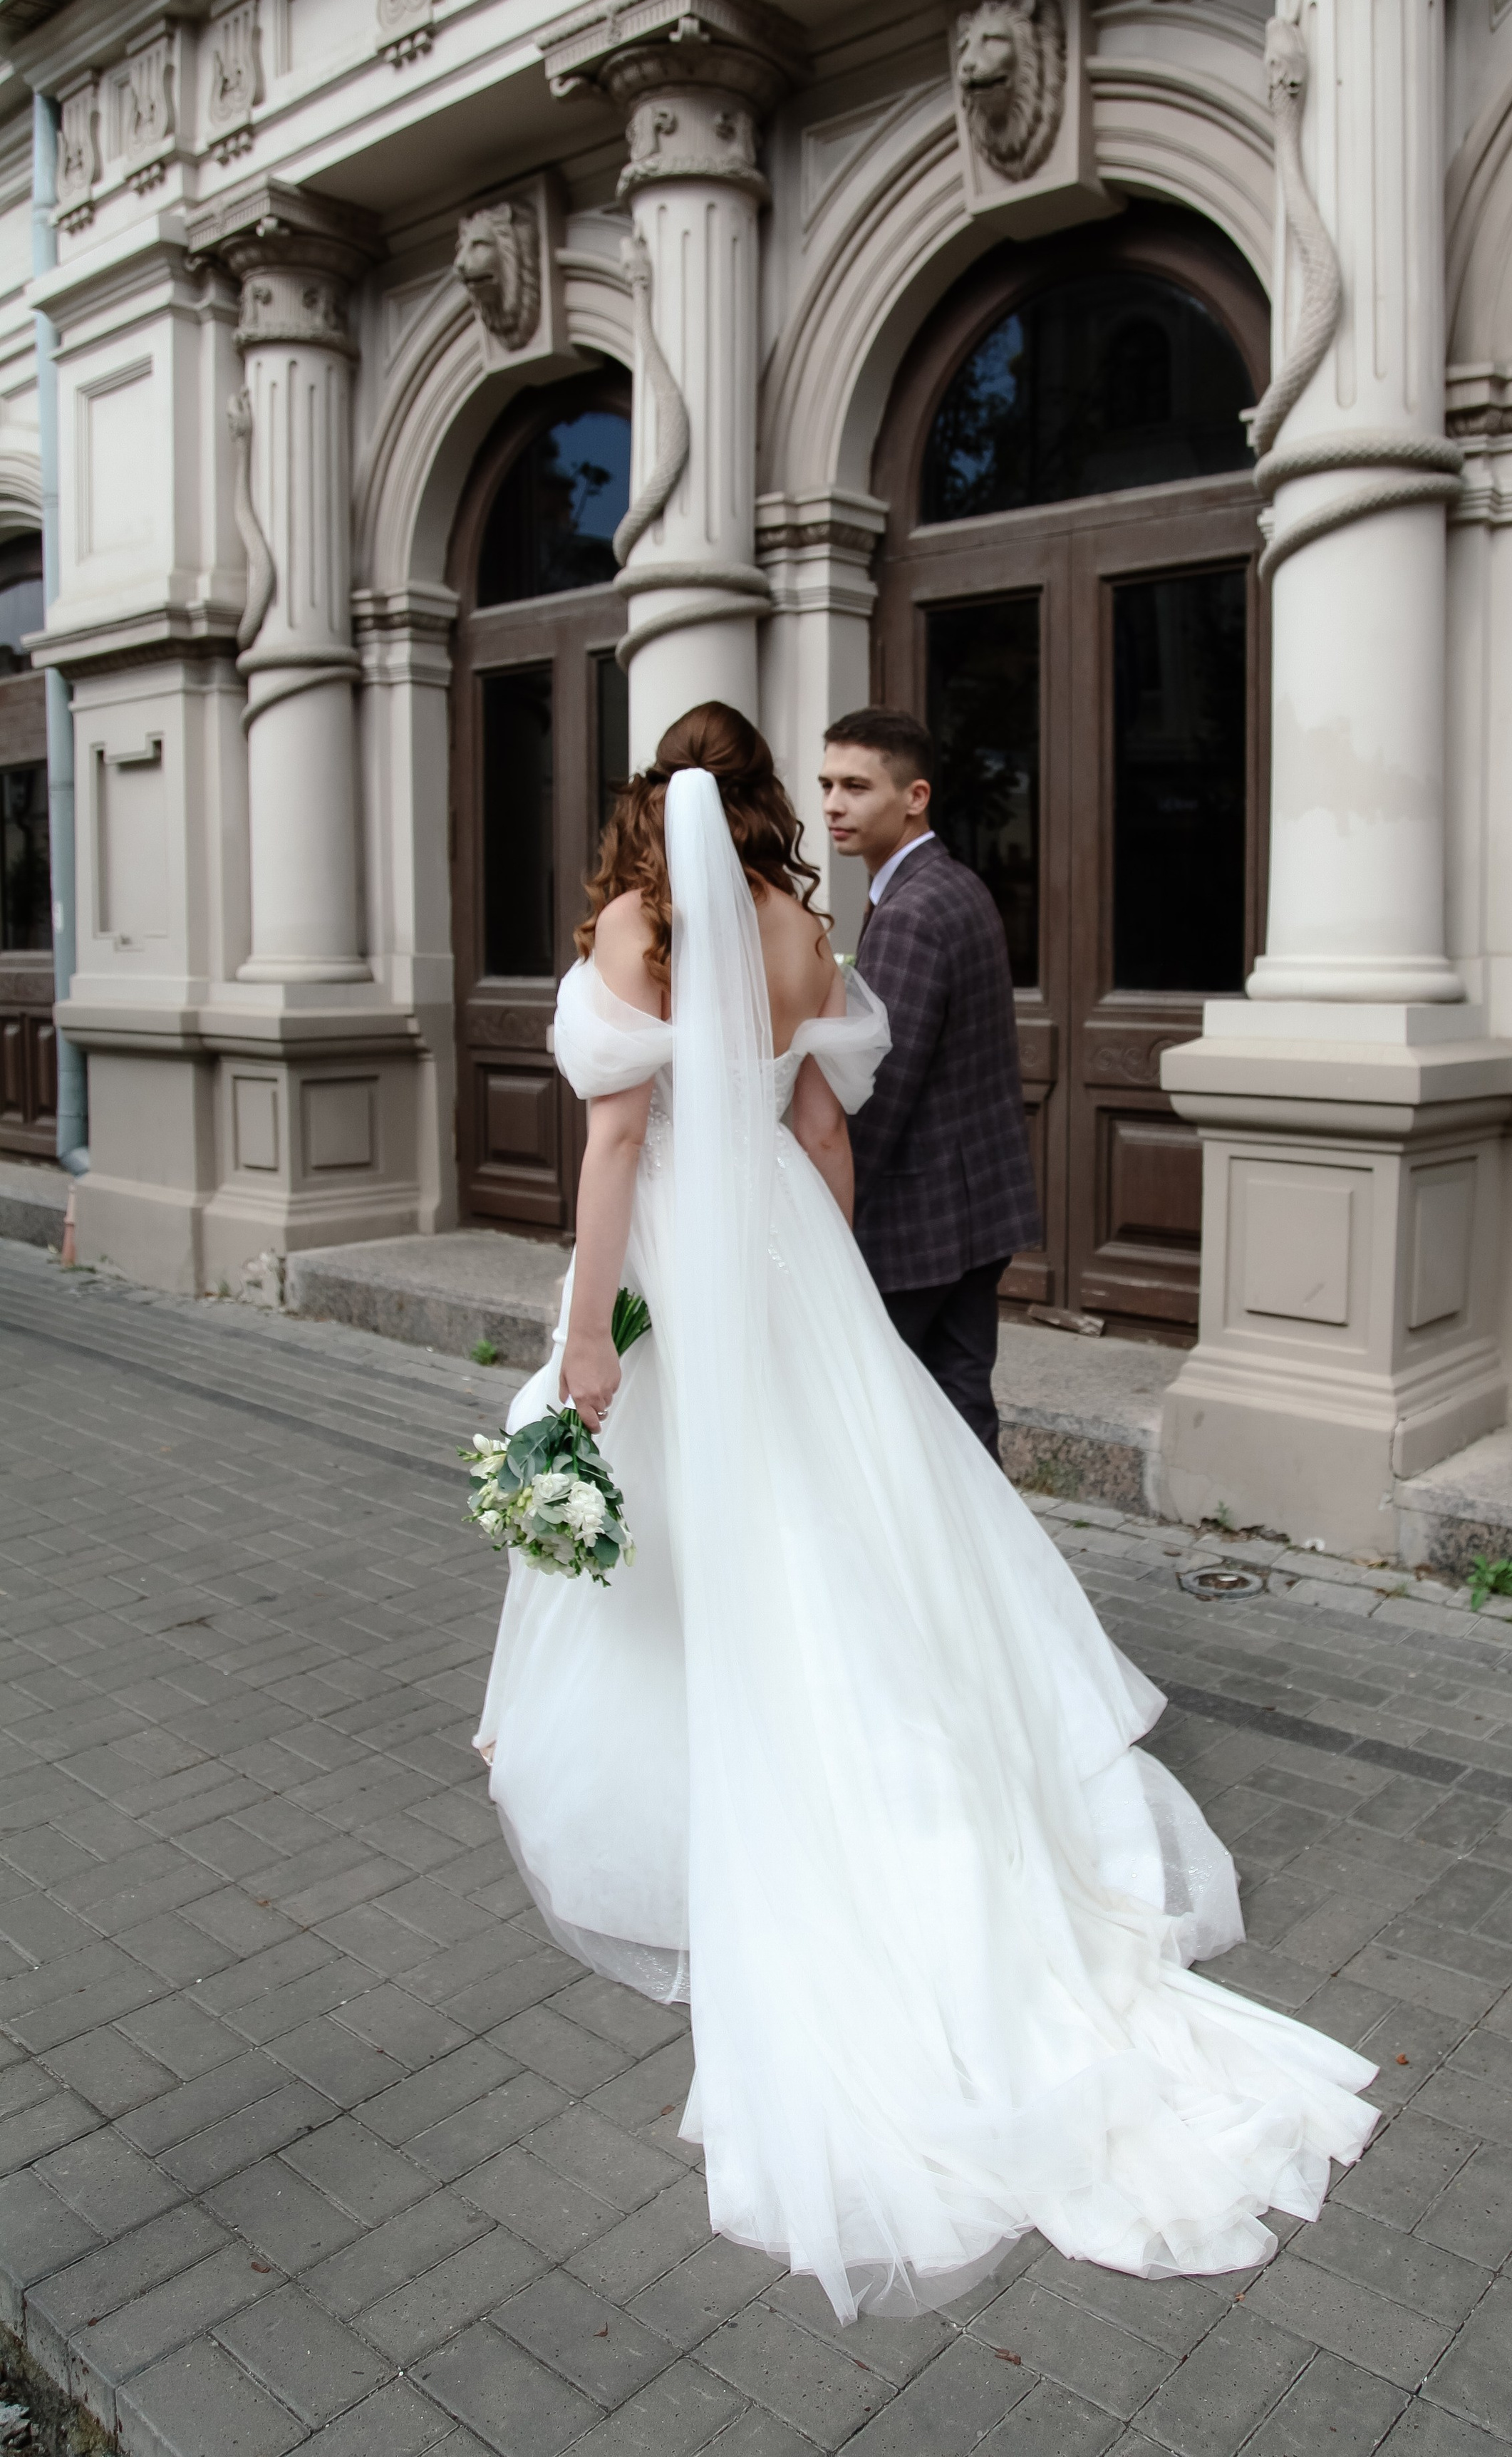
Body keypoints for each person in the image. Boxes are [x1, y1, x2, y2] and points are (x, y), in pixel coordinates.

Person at [476, 700, 1377, 2327]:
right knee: (842, 1548)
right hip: (788, 1263)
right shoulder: (796, 933)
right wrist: (811, 1299)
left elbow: (615, 1142)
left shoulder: (639, 922)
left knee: (698, 1539)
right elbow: (821, 1139)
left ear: (649, 802)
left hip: (679, 1257)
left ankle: (716, 1789)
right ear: (766, 805)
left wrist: (587, 1340)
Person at [817, 708, 1039, 1457]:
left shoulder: (911, 911)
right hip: (976, 1213)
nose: (832, 806)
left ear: (914, 796)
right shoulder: (956, 885)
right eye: (825, 785)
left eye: (855, 786)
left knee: (878, 1423)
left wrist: (827, 1207)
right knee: (961, 1414)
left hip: (917, 1224)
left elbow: (884, 1085)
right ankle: (985, 1571)